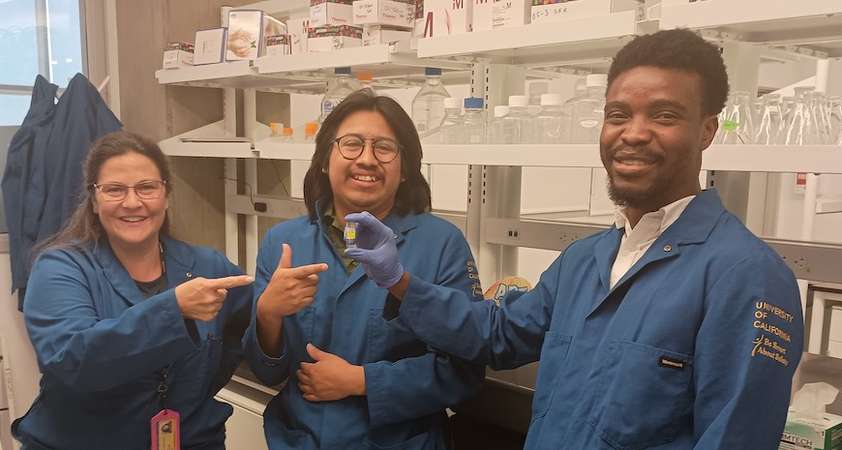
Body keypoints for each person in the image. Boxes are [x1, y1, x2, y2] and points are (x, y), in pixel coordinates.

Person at [347, 29, 804, 450]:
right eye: (618, 115)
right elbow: (497, 336)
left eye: (664, 115)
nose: (634, 133)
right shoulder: (586, 259)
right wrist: (399, 281)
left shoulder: (748, 277)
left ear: (707, 130)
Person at [244, 90, 484, 450]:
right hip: (301, 439)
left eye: (384, 148)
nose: (367, 159)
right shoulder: (285, 243)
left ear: (404, 169)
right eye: (352, 144)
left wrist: (364, 381)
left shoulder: (441, 244)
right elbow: (267, 371)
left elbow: (464, 371)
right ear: (326, 159)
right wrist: (267, 315)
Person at [12, 131, 254, 450]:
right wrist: (174, 310)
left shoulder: (208, 265)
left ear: (166, 195)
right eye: (114, 189)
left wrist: (276, 305)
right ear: (94, 201)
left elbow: (245, 331)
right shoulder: (61, 268)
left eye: (147, 187)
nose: (132, 202)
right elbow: (72, 361)